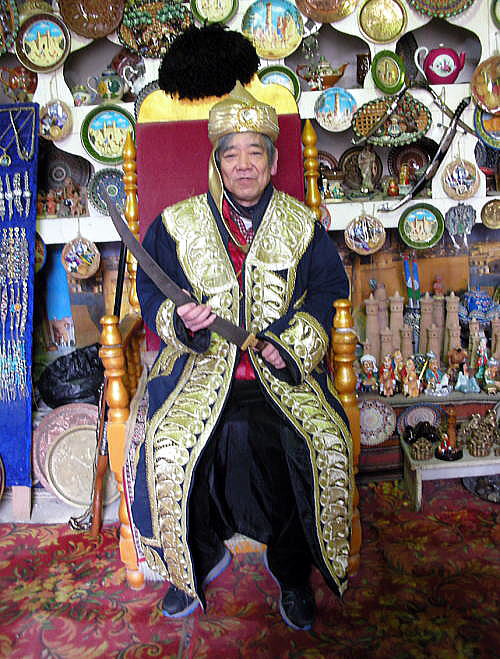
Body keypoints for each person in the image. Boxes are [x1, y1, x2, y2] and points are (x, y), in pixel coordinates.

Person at [132, 83, 353, 632]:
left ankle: (293, 569)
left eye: (256, 152)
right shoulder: (177, 225)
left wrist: (290, 341)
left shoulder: (301, 225)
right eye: (231, 154)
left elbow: (329, 291)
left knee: (318, 441)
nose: (244, 164)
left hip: (279, 372)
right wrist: (179, 320)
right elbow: (151, 293)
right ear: (218, 163)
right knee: (169, 443)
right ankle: (196, 560)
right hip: (198, 368)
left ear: (274, 162)